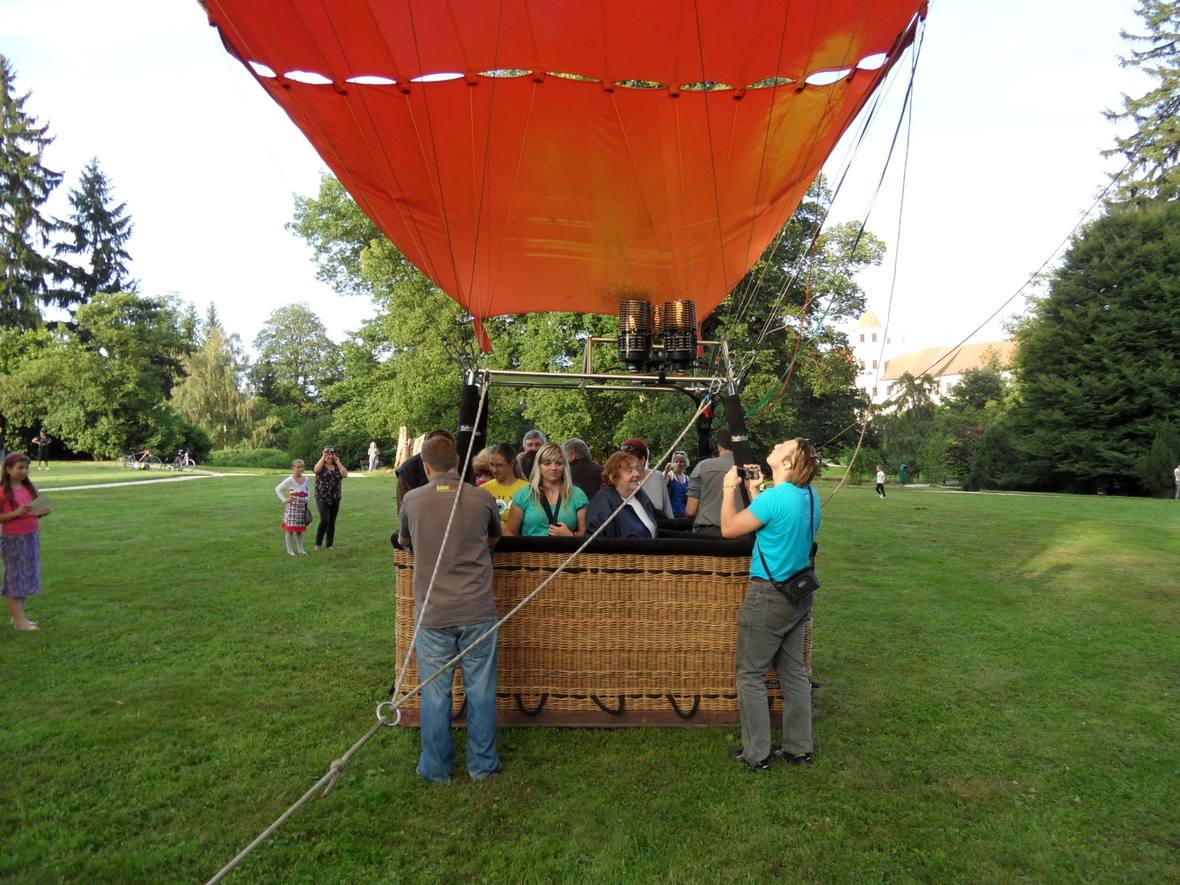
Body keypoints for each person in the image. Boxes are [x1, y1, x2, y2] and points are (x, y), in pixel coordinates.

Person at [398, 435, 503, 783]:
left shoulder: (411, 500)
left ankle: (436, 767)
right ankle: (483, 765)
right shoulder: (483, 497)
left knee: (436, 692)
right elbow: (494, 538)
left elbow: (406, 543)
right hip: (477, 609)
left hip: (434, 612)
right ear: (458, 463)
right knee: (482, 691)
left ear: (426, 467)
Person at [721, 437, 822, 771]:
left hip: (768, 595)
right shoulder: (809, 496)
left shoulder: (776, 499)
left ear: (789, 463)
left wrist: (728, 489)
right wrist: (755, 491)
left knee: (749, 673)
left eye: (783, 446)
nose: (777, 445)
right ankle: (798, 748)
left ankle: (757, 753)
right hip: (799, 593)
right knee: (793, 672)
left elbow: (729, 528)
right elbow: (772, 522)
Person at [0, 452, 51, 631]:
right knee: (15, 578)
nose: (24, 471)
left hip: (31, 536)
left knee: (25, 576)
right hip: (13, 539)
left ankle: (19, 618)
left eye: (26, 468)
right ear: (8, 469)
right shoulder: (3, 492)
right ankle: (20, 621)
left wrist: (43, 511)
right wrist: (16, 513)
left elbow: (40, 509)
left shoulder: (30, 488)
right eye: (20, 468)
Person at [505, 442, 588, 537]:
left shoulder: (577, 495)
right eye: (547, 463)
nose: (553, 468)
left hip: (567, 551)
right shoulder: (524, 495)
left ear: (565, 466)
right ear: (539, 466)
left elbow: (586, 535)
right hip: (529, 551)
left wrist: (570, 534)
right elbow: (510, 533)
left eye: (559, 463)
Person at [585, 451, 660, 538]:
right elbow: (594, 543)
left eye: (636, 468)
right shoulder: (601, 505)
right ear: (612, 477)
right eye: (629, 470)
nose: (637, 474)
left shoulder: (640, 495)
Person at [686, 427, 742, 536]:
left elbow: (690, 511)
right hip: (743, 534)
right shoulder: (750, 468)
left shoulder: (702, 467)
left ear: (718, 445)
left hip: (708, 534)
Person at [397, 429, 455, 509]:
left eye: (446, 449)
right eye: (435, 449)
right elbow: (403, 509)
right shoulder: (408, 469)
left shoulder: (461, 463)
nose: (441, 453)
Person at [619, 438, 674, 519]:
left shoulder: (656, 477)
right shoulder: (618, 481)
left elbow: (666, 509)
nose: (626, 464)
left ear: (642, 460)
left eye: (630, 460)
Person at [481, 443, 528, 527]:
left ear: (511, 464)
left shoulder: (527, 489)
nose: (494, 470)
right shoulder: (483, 489)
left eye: (499, 465)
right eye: (491, 464)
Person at [313, 445, 349, 550]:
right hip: (322, 497)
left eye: (331, 454)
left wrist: (338, 462)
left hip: (335, 497)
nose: (329, 456)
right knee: (324, 519)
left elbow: (345, 474)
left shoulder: (337, 466)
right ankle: (318, 544)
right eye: (327, 453)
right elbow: (316, 470)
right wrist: (323, 457)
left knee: (332, 521)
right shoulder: (321, 465)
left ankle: (329, 544)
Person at [275, 459, 312, 556]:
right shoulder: (290, 480)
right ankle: (290, 550)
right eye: (298, 467)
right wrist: (285, 499)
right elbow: (278, 489)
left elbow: (308, 490)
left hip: (302, 507)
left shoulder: (306, 479)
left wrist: (307, 499)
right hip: (292, 508)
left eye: (302, 467)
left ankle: (301, 549)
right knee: (290, 530)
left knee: (299, 530)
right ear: (293, 468)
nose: (300, 469)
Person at [665, 450, 691, 517]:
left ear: (685, 463)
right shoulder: (670, 474)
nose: (678, 463)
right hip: (671, 513)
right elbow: (662, 486)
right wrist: (666, 472)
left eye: (681, 462)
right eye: (676, 462)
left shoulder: (687, 478)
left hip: (684, 513)